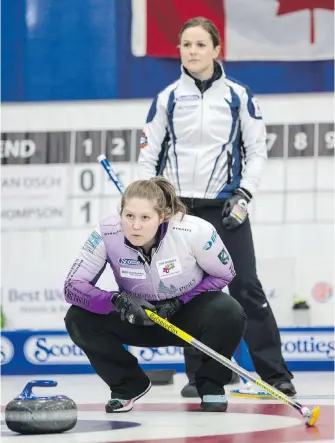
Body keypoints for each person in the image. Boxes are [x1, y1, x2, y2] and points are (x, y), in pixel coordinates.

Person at [137, 16, 296, 397]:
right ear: (179, 50)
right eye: (186, 44)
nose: (192, 51)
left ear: (216, 50)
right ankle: (203, 378)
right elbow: (147, 157)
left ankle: (275, 375)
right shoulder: (167, 99)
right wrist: (150, 203)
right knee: (189, 295)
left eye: (200, 45)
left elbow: (257, 152)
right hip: (178, 213)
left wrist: (245, 195)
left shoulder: (238, 96)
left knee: (246, 289)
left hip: (228, 209)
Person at [64, 176, 246, 413]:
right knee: (77, 317)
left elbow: (225, 274)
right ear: (121, 212)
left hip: (185, 315)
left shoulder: (195, 231)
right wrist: (117, 301)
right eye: (129, 216)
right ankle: (127, 385)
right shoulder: (106, 233)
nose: (135, 226)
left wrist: (179, 301)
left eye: (145, 218)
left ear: (163, 217)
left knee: (230, 311)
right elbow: (72, 286)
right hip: (137, 315)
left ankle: (211, 385)